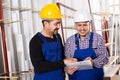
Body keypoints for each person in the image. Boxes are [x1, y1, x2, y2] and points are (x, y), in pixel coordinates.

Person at [29, 3, 77, 80]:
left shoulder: (58, 37)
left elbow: (61, 58)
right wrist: (63, 62)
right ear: (46, 24)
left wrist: (66, 68)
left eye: (59, 23)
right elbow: (38, 67)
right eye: (56, 24)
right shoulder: (35, 41)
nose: (58, 26)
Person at [65, 10, 109, 80]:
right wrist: (67, 69)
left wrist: (93, 62)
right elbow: (66, 61)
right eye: (79, 25)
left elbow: (105, 58)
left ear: (90, 24)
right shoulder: (69, 41)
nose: (82, 28)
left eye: (85, 25)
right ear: (75, 25)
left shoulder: (98, 38)